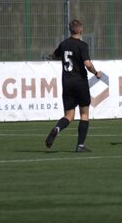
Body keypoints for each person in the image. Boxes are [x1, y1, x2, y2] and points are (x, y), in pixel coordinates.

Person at [45, 19, 102, 152]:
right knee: (84, 114)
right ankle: (80, 145)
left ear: (70, 31)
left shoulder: (64, 44)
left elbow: (55, 56)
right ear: (81, 31)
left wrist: (50, 57)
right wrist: (96, 72)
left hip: (67, 83)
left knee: (69, 116)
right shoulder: (82, 45)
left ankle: (57, 128)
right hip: (80, 82)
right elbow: (87, 64)